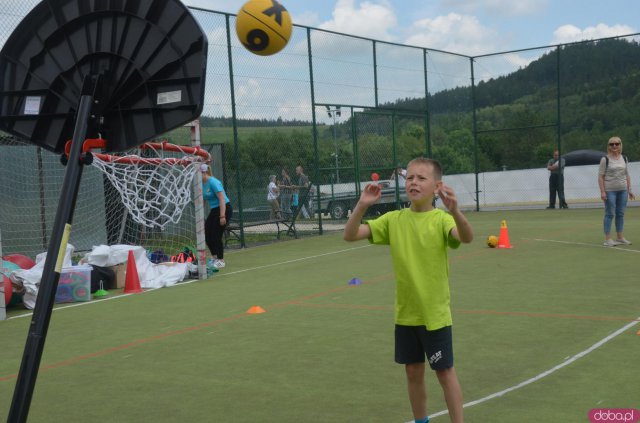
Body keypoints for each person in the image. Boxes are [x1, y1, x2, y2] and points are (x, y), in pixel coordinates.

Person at [343, 157, 473, 423]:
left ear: (437, 187)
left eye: (421, 178)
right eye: (410, 177)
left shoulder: (441, 219)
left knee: (445, 373)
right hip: (406, 315)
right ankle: (420, 420)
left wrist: (456, 211)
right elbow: (350, 234)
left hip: (434, 316)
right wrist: (362, 205)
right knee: (413, 373)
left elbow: (466, 237)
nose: (413, 182)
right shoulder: (394, 220)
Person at [598, 136, 635, 246]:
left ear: (620, 145)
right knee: (609, 214)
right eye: (612, 144)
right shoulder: (605, 159)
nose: (614, 146)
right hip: (610, 191)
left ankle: (620, 237)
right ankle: (608, 239)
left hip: (623, 190)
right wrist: (602, 191)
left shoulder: (624, 158)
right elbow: (600, 177)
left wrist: (630, 190)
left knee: (620, 214)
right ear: (609, 146)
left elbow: (627, 175)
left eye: (617, 144)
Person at [201, 163, 232, 269]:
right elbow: (203, 200)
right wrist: (200, 215)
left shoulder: (213, 182)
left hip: (224, 208)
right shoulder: (200, 183)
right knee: (207, 234)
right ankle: (214, 258)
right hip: (214, 210)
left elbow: (222, 199)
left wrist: (222, 216)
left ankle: (221, 260)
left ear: (203, 172)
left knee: (216, 234)